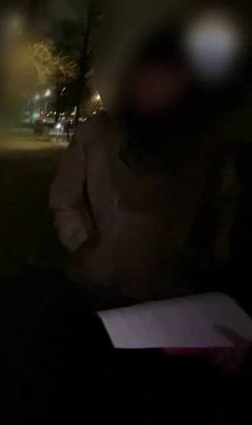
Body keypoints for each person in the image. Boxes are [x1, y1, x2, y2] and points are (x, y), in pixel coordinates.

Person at [49, 1, 249, 305]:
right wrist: (82, 243)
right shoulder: (94, 136)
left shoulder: (200, 141)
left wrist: (202, 253)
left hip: (168, 291)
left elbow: (216, 205)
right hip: (99, 283)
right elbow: (64, 196)